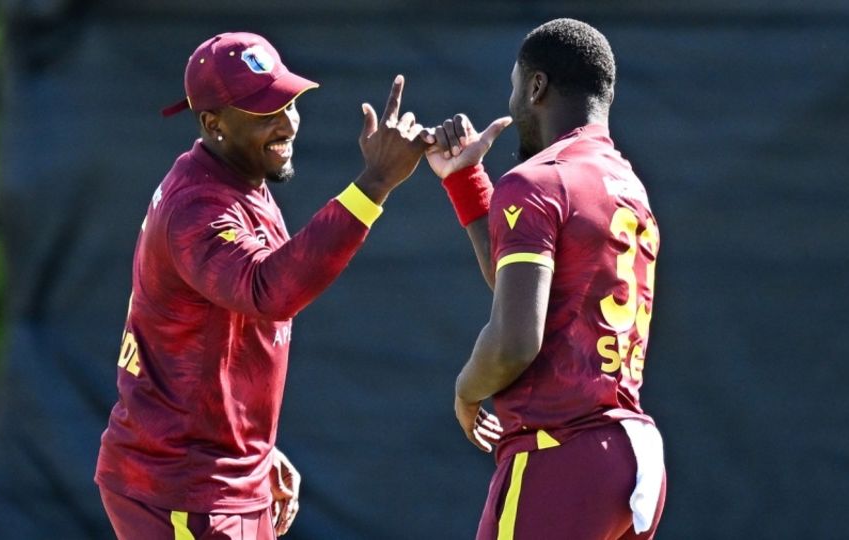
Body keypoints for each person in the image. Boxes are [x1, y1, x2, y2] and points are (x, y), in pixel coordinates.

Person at [94, 31, 428, 539]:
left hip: (217, 474)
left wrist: (257, 450)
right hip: (180, 487)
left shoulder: (237, 179)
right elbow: (268, 292)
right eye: (263, 110)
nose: (288, 121)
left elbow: (214, 339)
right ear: (212, 124)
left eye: (288, 101)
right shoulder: (196, 208)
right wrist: (374, 183)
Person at [423, 19, 667, 539]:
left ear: (536, 87)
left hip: (561, 455)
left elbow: (515, 341)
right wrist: (467, 182)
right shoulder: (627, 184)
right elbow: (534, 296)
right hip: (629, 455)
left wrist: (466, 391)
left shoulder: (538, 180)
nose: (513, 104)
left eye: (515, 88)